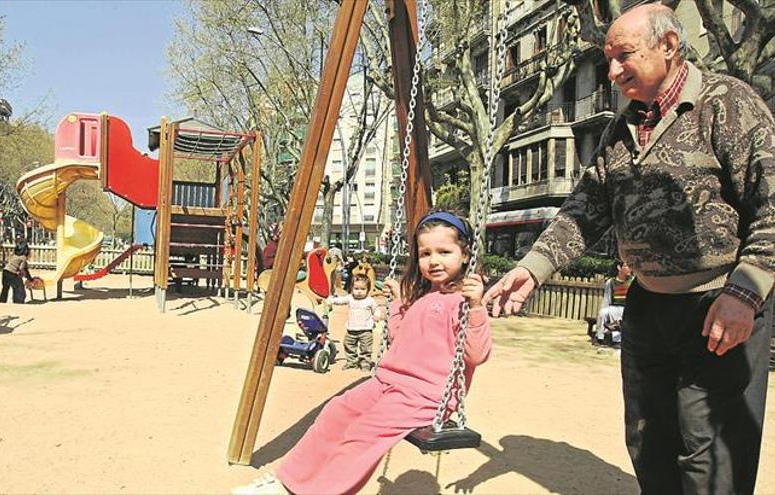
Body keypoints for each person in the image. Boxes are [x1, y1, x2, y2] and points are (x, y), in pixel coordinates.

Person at [483, 5, 775, 493]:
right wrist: (532, 269)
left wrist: (747, 291)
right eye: (608, 59)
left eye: (623, 56)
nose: (613, 71)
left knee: (710, 460)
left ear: (668, 46)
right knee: (648, 443)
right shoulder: (623, 128)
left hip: (719, 307)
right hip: (646, 309)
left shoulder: (727, 102)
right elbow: (584, 210)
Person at [231, 210, 492, 495]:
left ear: (465, 255)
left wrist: (477, 306)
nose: (434, 260)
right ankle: (289, 481)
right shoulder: (423, 296)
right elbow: (398, 337)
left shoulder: (464, 302)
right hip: (387, 383)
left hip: (427, 395)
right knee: (336, 412)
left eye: (444, 251)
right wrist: (399, 304)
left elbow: (476, 354)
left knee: (363, 433)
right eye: (425, 253)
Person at [328, 273, 381, 371]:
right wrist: (332, 300)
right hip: (351, 328)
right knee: (348, 345)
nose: (359, 292)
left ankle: (365, 364)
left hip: (366, 330)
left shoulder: (370, 301)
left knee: (366, 348)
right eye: (356, 289)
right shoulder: (350, 298)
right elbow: (341, 300)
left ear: (367, 290)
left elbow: (377, 309)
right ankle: (351, 362)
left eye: (362, 289)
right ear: (351, 288)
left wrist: (377, 315)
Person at [593, 260, 633, 346]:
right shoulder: (610, 282)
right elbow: (607, 298)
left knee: (617, 313)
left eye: (630, 267)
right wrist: (604, 308)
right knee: (603, 313)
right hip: (613, 306)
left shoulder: (632, 282)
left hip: (626, 307)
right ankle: (599, 337)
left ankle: (617, 340)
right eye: (626, 266)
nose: (629, 269)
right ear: (619, 268)